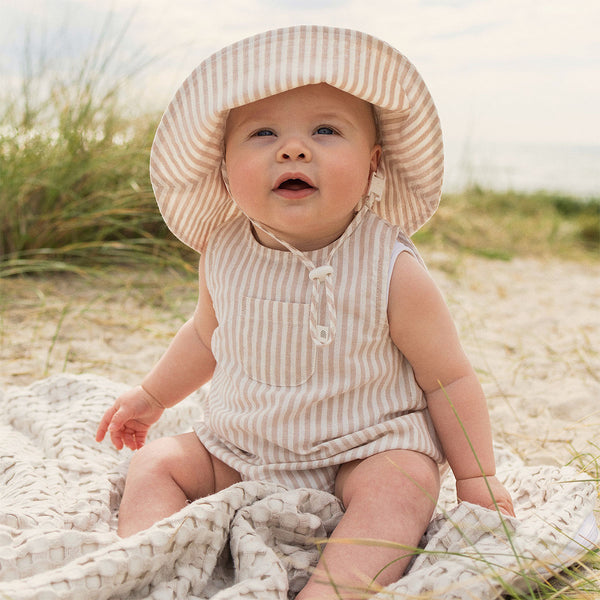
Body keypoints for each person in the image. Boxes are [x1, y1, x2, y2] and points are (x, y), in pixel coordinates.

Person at [96, 26, 514, 599]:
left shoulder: (388, 266)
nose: (293, 149)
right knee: (154, 466)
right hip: (243, 449)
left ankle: (334, 588)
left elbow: (448, 377)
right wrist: (150, 397)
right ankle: (148, 567)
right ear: (223, 169)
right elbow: (204, 335)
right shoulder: (225, 251)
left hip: (362, 450)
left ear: (374, 165)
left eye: (325, 130)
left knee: (406, 482)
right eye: (263, 133)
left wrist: (477, 477)